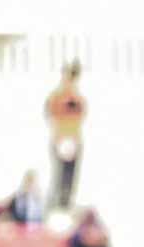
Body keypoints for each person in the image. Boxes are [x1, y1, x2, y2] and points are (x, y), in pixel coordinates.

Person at [46, 60, 87, 209]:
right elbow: (52, 113)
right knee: (60, 173)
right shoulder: (57, 97)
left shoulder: (77, 98)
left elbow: (81, 114)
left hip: (73, 139)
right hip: (62, 138)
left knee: (69, 175)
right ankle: (58, 201)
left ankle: (66, 201)